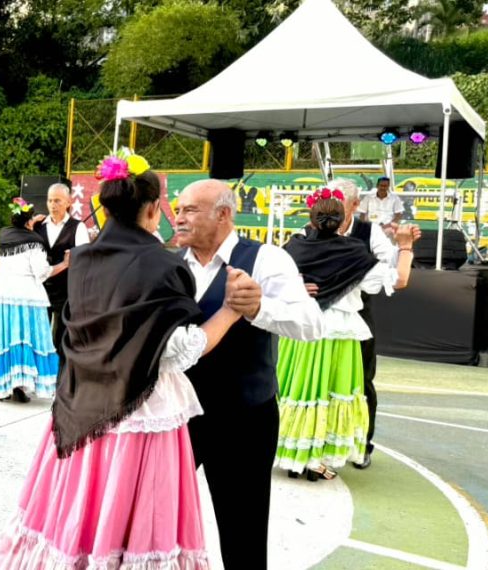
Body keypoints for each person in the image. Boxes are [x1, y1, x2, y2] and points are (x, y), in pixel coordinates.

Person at [0, 157, 244, 568]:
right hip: (139, 408)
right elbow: (178, 351)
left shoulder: (84, 258)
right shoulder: (164, 264)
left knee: (81, 510)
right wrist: (231, 311)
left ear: (106, 207)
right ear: (152, 209)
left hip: (82, 402)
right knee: (131, 514)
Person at [173, 179, 324, 570]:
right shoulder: (170, 264)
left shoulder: (267, 260)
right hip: (174, 417)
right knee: (154, 517)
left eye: (190, 210)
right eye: (177, 209)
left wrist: (260, 308)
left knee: (242, 530)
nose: (179, 217)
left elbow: (311, 324)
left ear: (223, 214)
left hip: (243, 417)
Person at [276, 188, 419, 480]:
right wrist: (405, 246)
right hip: (340, 335)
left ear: (311, 219)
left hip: (301, 332)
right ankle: (318, 457)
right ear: (343, 220)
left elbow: (269, 283)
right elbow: (400, 279)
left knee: (299, 391)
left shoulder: (293, 248)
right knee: (331, 394)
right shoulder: (354, 251)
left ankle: (297, 456)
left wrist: (294, 289)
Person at [327, 178, 399, 469]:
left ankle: (362, 445)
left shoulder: (369, 233)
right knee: (317, 383)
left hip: (356, 315)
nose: (329, 206)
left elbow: (389, 267)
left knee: (362, 380)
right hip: (317, 319)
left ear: (355, 205)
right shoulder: (308, 231)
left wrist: (358, 272)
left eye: (337, 200)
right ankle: (317, 444)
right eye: (326, 198)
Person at [0, 198, 64, 402]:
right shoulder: (34, 243)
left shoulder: (5, 236)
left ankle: (4, 386)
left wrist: (29, 224)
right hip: (24, 294)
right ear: (28, 222)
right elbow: (42, 272)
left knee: (5, 337)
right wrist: (64, 264)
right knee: (24, 335)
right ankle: (21, 382)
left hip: (1, 292)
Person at [33, 183, 89, 360]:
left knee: (60, 336)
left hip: (65, 291)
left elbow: (84, 260)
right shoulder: (38, 226)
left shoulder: (78, 228)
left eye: (57, 200)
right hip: (40, 289)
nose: (52, 205)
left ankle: (59, 377)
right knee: (38, 335)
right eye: (50, 200)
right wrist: (30, 226)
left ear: (68, 202)